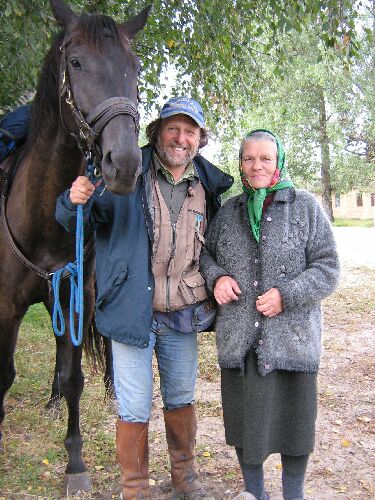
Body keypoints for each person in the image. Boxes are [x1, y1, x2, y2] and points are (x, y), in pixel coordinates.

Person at [55, 96, 233, 499]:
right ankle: (135, 489)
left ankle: (184, 480)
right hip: (130, 310)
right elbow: (75, 221)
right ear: (157, 132)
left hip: (183, 313)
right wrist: (73, 200)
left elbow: (214, 251)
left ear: (200, 140)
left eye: (190, 132)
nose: (181, 138)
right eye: (174, 128)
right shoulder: (123, 173)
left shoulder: (209, 185)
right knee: (134, 408)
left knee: (181, 399)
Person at [200, 129, 340, 500]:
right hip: (241, 341)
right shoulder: (229, 212)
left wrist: (287, 295)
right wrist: (217, 278)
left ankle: (294, 494)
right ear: (241, 163)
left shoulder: (305, 207)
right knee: (248, 429)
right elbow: (206, 256)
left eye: (265, 158)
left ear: (278, 160)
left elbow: (328, 268)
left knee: (295, 430)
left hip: (292, 343)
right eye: (249, 158)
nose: (257, 165)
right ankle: (254, 494)